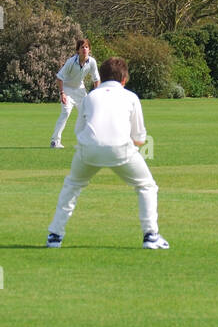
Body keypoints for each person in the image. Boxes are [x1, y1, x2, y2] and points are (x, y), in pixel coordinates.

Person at [46, 57, 168, 250]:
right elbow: (139, 138)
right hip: (121, 149)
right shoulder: (131, 97)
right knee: (146, 186)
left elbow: (79, 131)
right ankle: (151, 236)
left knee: (72, 185)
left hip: (88, 148)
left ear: (100, 78)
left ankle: (55, 235)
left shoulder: (90, 97)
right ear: (124, 79)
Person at [50, 38, 100, 148]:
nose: (84, 49)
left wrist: (96, 94)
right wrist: (62, 93)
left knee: (88, 114)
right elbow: (59, 78)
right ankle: (55, 141)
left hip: (80, 91)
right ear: (78, 50)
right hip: (67, 89)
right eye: (82, 47)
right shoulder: (71, 62)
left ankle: (86, 141)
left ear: (89, 49)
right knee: (66, 113)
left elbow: (96, 79)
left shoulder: (92, 62)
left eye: (86, 47)